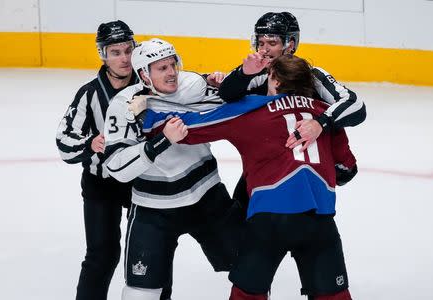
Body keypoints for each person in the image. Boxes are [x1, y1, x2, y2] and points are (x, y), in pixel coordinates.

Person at [138, 54, 356, 300]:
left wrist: (148, 118)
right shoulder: (324, 114)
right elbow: (347, 170)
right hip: (320, 220)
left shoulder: (252, 108)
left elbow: (189, 128)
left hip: (269, 221)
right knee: (334, 296)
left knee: (247, 296)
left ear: (273, 79)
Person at [103, 38, 242, 300]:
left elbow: (240, 104)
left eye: (172, 65)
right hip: (152, 209)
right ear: (144, 74)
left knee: (251, 270)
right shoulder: (124, 105)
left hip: (207, 197)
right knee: (139, 293)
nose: (171, 73)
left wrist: (226, 85)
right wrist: (162, 140)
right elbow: (116, 166)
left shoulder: (195, 87)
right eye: (161, 68)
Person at [56, 21, 175, 300]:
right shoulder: (89, 94)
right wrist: (90, 143)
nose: (123, 58)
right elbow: (64, 143)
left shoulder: (148, 85)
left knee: (154, 252)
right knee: (102, 254)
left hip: (142, 182)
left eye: (127, 50)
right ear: (103, 54)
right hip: (101, 185)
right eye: (115, 52)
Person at [218, 12, 364, 205]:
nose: (264, 50)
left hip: (309, 166)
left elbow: (356, 106)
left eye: (272, 43)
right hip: (269, 165)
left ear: (291, 45)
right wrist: (243, 74)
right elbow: (226, 94)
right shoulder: (258, 72)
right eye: (261, 43)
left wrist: (320, 123)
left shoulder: (311, 75)